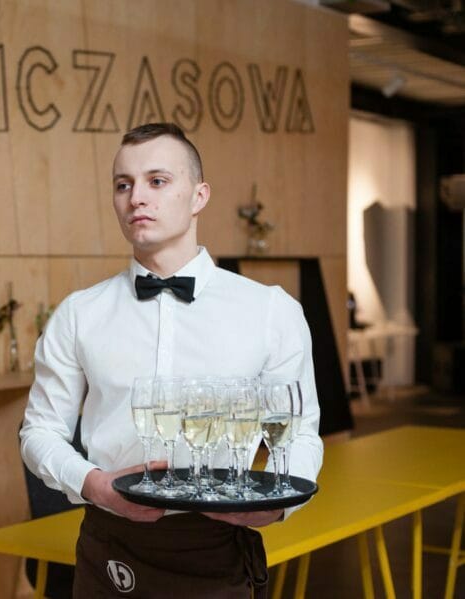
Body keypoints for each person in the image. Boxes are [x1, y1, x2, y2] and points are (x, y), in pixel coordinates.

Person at [20, 122, 323, 597]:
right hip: (109, 545)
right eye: (124, 185)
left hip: (218, 546)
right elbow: (39, 431)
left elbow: (301, 430)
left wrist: (282, 505)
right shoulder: (79, 313)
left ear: (199, 195)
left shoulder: (271, 310)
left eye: (157, 181)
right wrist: (93, 484)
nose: (136, 198)